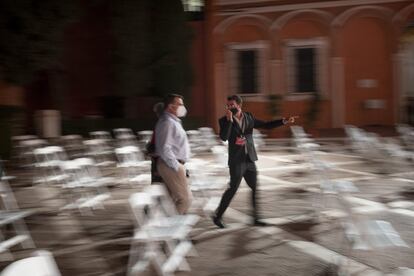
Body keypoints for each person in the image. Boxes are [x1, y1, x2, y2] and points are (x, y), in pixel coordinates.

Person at [212, 95, 297, 228]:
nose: (229, 107)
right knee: (232, 189)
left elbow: (266, 125)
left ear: (239, 105)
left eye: (232, 105)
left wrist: (283, 121)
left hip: (249, 159)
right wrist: (229, 120)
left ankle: (256, 218)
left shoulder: (249, 117)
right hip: (237, 161)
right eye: (227, 105)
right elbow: (224, 137)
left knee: (255, 188)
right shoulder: (224, 120)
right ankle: (217, 216)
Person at [155, 94, 192, 214]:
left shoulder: (173, 121)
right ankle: (170, 229)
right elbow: (164, 148)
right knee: (185, 200)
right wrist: (177, 166)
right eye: (180, 104)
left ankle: (161, 226)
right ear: (171, 106)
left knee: (168, 202)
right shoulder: (167, 122)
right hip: (171, 165)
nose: (183, 107)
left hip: (173, 165)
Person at [146, 102, 164, 183]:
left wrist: (148, 147)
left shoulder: (162, 124)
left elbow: (155, 141)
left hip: (159, 158)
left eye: (156, 112)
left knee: (158, 183)